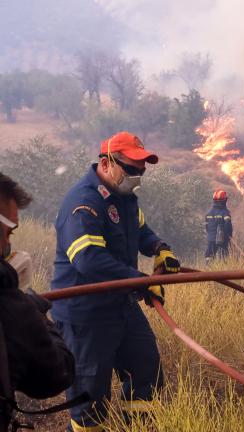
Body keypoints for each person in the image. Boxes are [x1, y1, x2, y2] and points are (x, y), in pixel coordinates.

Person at [49, 132, 181, 432]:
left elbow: (141, 231)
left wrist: (160, 248)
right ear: (107, 163)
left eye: (142, 171)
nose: (137, 176)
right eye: (132, 169)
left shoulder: (125, 198)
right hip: (86, 315)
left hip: (121, 305)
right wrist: (141, 281)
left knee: (146, 369)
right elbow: (88, 259)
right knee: (90, 400)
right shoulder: (83, 202)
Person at [0, 173, 75, 432]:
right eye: (8, 232)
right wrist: (36, 315)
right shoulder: (11, 310)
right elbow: (56, 374)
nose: (9, 246)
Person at [204, 189, 233, 261]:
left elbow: (207, 227)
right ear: (224, 201)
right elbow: (228, 226)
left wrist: (211, 235)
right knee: (223, 257)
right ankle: (223, 269)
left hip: (211, 239)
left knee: (209, 257)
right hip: (223, 240)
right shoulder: (225, 213)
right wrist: (229, 236)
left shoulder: (209, 213)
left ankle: (208, 270)